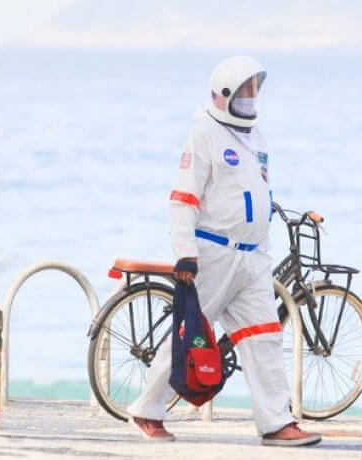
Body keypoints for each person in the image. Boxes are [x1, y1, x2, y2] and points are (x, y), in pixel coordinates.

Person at [126, 56, 322, 446]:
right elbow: (183, 199)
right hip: (213, 252)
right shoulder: (204, 136)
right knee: (190, 334)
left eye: (255, 88)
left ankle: (276, 422)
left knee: (265, 337)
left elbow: (258, 192)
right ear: (226, 95)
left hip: (252, 256)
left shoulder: (256, 138)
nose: (252, 96)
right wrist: (185, 252)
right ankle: (147, 409)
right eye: (245, 89)